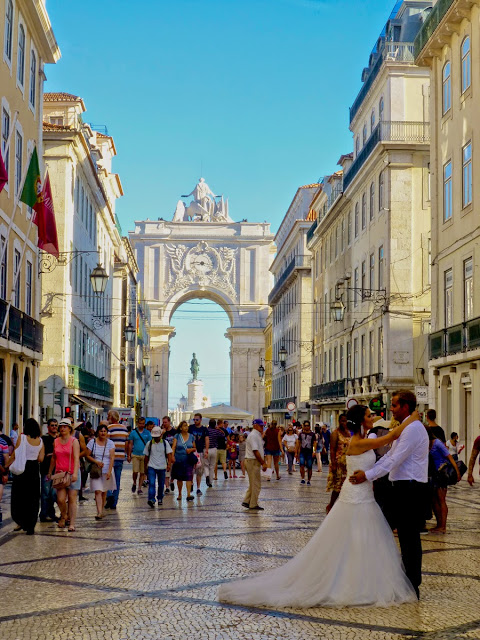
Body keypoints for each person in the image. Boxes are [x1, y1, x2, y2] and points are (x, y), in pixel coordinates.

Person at [220, 406, 418, 607]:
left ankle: (360, 579)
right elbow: (390, 437)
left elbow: (386, 448)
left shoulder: (361, 440)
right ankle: (352, 583)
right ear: (360, 421)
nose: (373, 417)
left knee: (360, 537)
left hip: (363, 493)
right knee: (355, 536)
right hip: (355, 494)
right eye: (369, 416)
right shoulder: (359, 442)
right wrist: (413, 418)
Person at [350, 390, 429, 599]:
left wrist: (368, 475)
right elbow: (390, 457)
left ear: (404, 406)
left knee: (409, 539)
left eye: (394, 405)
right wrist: (370, 474)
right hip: (400, 489)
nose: (391, 409)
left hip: (410, 489)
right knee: (389, 533)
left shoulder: (412, 430)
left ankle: (412, 585)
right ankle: (394, 580)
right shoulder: (405, 429)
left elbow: (395, 460)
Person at [8, 419, 44, 535]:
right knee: (33, 497)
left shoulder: (22, 438)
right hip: (34, 469)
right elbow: (40, 459)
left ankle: (21, 521)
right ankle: (31, 525)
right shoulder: (40, 441)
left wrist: (6, 465)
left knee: (19, 496)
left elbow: (14, 454)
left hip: (23, 469)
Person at [49, 419, 80, 532]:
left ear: (69, 429)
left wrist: (75, 473)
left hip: (72, 472)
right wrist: (50, 471)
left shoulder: (74, 441)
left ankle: (71, 523)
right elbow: (53, 457)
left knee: (72, 499)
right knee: (60, 499)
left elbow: (76, 458)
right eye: (61, 427)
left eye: (65, 427)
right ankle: (64, 515)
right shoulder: (56, 441)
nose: (62, 428)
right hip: (60, 474)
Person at [428, 432, 461, 533]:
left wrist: (457, 472)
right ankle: (439, 524)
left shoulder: (437, 443)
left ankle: (443, 526)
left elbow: (449, 457)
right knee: (435, 499)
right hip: (435, 474)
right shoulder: (429, 443)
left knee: (441, 499)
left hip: (442, 473)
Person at [85, 424, 116, 520]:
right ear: (97, 432)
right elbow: (87, 455)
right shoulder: (92, 442)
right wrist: (96, 462)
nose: (103, 433)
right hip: (96, 470)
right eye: (101, 431)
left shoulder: (110, 443)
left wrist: (109, 471)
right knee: (98, 491)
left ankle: (101, 510)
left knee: (104, 491)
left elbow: (112, 457)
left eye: (104, 431)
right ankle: (99, 512)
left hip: (107, 469)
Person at [326, 414, 351, 513]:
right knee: (337, 486)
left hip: (348, 463)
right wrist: (334, 463)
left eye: (346, 421)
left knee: (347, 486)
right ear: (339, 421)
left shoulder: (350, 433)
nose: (344, 423)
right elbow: (332, 450)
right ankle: (331, 505)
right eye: (342, 421)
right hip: (339, 463)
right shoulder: (335, 433)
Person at [241, 419, 267, 511]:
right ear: (255, 425)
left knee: (253, 483)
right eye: (260, 426)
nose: (262, 427)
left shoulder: (256, 435)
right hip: (252, 461)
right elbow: (255, 451)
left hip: (252, 461)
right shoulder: (253, 436)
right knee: (256, 484)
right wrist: (263, 463)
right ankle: (253, 504)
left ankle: (247, 501)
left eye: (263, 426)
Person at [145, 426, 173, 507]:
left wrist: (169, 465)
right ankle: (151, 499)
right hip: (151, 466)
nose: (156, 439)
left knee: (161, 484)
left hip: (162, 467)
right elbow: (146, 457)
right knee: (152, 483)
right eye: (154, 437)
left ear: (161, 435)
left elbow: (169, 455)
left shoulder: (165, 443)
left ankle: (160, 497)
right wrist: (145, 467)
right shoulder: (149, 444)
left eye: (157, 437)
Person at [106, 410, 128, 510]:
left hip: (110, 457)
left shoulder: (109, 428)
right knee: (117, 480)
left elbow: (107, 442)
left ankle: (109, 495)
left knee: (107, 478)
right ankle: (114, 503)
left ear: (111, 417)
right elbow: (126, 443)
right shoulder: (124, 429)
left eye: (108, 416)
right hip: (120, 457)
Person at [171, 421, 196, 501]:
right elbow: (174, 447)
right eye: (184, 426)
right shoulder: (177, 436)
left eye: (187, 426)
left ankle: (188, 494)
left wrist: (191, 449)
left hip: (188, 460)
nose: (186, 427)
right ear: (181, 428)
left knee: (189, 477)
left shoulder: (191, 436)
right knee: (179, 478)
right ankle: (179, 494)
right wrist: (172, 456)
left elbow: (195, 448)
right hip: (178, 459)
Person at [127, 417, 152, 495]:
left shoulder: (147, 433)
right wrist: (128, 455)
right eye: (140, 423)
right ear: (137, 423)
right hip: (135, 454)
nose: (141, 425)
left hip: (144, 455)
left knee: (142, 472)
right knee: (135, 471)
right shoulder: (133, 433)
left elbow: (150, 444)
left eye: (143, 423)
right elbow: (130, 444)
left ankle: (139, 488)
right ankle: (134, 482)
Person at [40, 418, 58, 523]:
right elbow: (44, 454)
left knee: (53, 493)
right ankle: (44, 514)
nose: (54, 427)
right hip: (46, 470)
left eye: (56, 425)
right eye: (52, 425)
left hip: (57, 470)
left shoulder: (59, 439)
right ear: (48, 427)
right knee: (46, 493)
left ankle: (51, 513)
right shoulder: (44, 439)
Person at [189, 412, 209, 494]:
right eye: (194, 419)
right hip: (191, 451)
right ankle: (191, 484)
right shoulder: (190, 428)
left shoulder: (204, 429)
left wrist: (206, 450)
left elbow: (207, 440)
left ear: (201, 420)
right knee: (191, 470)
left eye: (197, 419)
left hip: (200, 451)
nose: (195, 421)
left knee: (199, 471)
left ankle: (198, 487)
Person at [296, 421, 315, 486]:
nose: (306, 427)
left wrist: (314, 451)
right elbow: (298, 443)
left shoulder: (312, 434)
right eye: (305, 425)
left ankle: (309, 480)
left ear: (309, 426)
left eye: (308, 425)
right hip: (302, 451)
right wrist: (296, 452)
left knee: (309, 466)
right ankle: (303, 478)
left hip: (309, 452)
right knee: (301, 465)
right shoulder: (301, 434)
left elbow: (315, 443)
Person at [161, 416, 177, 493]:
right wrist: (162, 434)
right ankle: (167, 487)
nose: (164, 424)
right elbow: (158, 442)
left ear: (169, 422)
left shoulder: (174, 432)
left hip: (173, 453)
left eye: (165, 422)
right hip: (164, 454)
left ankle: (172, 481)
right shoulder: (162, 432)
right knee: (166, 470)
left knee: (173, 470)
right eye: (163, 422)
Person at [206, 418, 223, 485]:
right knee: (212, 466)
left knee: (206, 465)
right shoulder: (216, 431)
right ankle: (210, 481)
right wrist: (219, 429)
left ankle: (207, 475)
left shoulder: (206, 430)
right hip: (214, 449)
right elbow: (223, 435)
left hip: (206, 449)